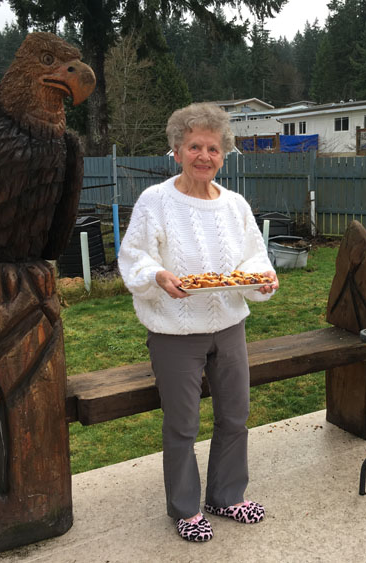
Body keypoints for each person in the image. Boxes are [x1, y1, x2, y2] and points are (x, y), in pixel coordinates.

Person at [118, 102, 278, 542]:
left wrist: (262, 279)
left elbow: (253, 257)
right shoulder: (156, 201)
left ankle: (227, 496)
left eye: (213, 148)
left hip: (229, 327)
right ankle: (185, 508)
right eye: (194, 147)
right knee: (182, 425)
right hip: (174, 333)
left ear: (223, 154)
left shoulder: (235, 204)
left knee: (235, 416)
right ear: (177, 149)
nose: (204, 156)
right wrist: (156, 276)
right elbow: (134, 256)